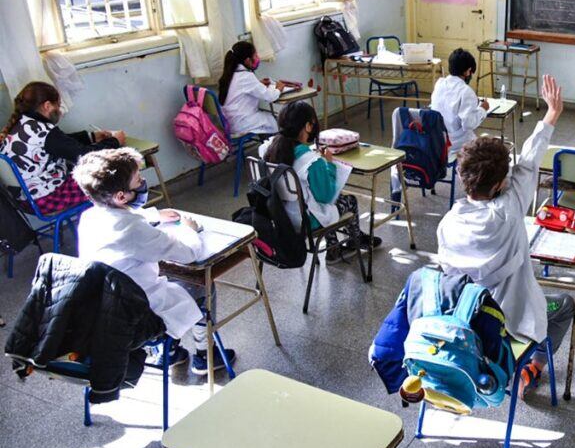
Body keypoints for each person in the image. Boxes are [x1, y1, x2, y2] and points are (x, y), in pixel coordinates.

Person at [436, 74, 575, 396]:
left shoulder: (447, 224)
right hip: (510, 327)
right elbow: (529, 161)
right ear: (501, 184)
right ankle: (533, 365)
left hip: (467, 324)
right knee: (565, 304)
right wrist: (551, 113)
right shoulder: (510, 211)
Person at [73, 148, 235, 374]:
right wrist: (190, 230)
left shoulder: (90, 217)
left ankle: (168, 353)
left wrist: (153, 215)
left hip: (107, 311)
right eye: (138, 180)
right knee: (200, 283)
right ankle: (206, 355)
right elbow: (189, 253)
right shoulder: (133, 230)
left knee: (167, 280)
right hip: (141, 316)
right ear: (121, 196)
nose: (142, 183)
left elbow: (124, 219)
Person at [258, 101, 379, 261]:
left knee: (318, 201)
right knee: (349, 201)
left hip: (281, 216)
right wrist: (329, 164)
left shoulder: (268, 149)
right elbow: (326, 197)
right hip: (306, 221)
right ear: (308, 126)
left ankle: (334, 247)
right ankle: (354, 240)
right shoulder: (312, 161)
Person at [1, 81, 125, 214]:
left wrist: (92, 137)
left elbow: (60, 142)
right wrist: (115, 141)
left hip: (24, 200)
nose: (60, 111)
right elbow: (86, 156)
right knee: (111, 176)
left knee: (79, 170)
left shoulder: (20, 124)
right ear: (47, 106)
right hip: (45, 200)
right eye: (58, 106)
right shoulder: (45, 131)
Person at [218, 40, 286, 137]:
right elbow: (270, 96)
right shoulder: (246, 76)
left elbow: (240, 88)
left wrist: (258, 84)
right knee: (276, 121)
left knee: (268, 119)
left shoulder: (230, 74)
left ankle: (268, 145)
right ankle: (274, 148)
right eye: (255, 56)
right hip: (242, 123)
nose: (258, 58)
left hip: (229, 122)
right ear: (247, 60)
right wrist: (279, 88)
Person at [429, 48, 489, 153]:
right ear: (468, 71)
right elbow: (468, 124)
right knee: (485, 149)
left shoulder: (440, 83)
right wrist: (483, 109)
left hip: (437, 139)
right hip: (456, 144)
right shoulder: (466, 91)